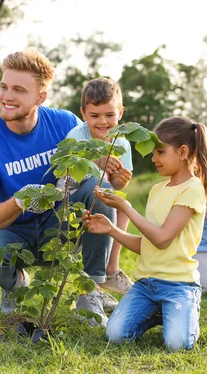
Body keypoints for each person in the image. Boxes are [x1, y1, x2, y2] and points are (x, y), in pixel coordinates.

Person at [0, 48, 115, 327]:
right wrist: (20, 201)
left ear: (40, 97)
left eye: (18, 90)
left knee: (101, 189)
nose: (7, 97)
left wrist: (98, 169)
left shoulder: (65, 123)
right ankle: (16, 282)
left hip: (58, 228)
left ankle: (91, 291)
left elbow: (92, 174)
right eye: (4, 87)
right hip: (13, 233)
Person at [85, 116, 207, 351]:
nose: (154, 158)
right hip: (146, 284)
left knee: (177, 345)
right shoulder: (157, 190)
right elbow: (148, 244)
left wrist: (125, 208)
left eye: (160, 152)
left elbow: (162, 238)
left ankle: (182, 310)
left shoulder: (192, 190)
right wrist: (111, 229)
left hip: (179, 285)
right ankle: (161, 312)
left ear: (183, 152)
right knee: (116, 335)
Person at [64, 78, 134, 295]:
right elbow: (68, 173)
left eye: (110, 115)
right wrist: (96, 161)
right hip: (72, 199)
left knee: (123, 205)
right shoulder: (77, 136)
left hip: (101, 197)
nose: (102, 122)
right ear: (83, 114)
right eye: (94, 116)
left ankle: (111, 268)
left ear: (120, 113)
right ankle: (93, 283)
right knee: (101, 189)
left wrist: (120, 180)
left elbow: (115, 184)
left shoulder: (121, 143)